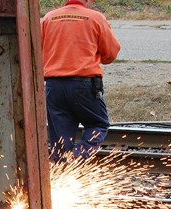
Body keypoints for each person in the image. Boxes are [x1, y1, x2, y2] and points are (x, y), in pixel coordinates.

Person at [40, 0, 121, 160]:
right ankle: (77, 160)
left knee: (60, 143)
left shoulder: (49, 18)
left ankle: (61, 173)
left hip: (53, 86)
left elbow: (39, 50)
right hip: (83, 85)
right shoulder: (95, 18)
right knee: (98, 124)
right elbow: (110, 54)